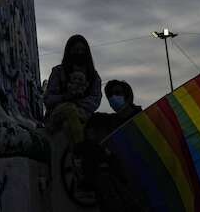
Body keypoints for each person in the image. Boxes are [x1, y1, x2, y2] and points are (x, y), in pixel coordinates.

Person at [82, 80, 147, 212]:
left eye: (117, 93)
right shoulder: (110, 121)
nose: (113, 97)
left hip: (142, 178)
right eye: (110, 95)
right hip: (122, 179)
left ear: (128, 96)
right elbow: (91, 118)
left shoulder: (142, 118)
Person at [44, 35, 103, 144]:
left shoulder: (93, 76)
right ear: (69, 51)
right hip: (58, 115)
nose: (79, 53)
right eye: (76, 50)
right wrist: (65, 97)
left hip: (83, 116)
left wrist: (78, 103)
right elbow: (48, 99)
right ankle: (79, 147)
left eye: (82, 50)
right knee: (69, 111)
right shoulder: (58, 72)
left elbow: (95, 100)